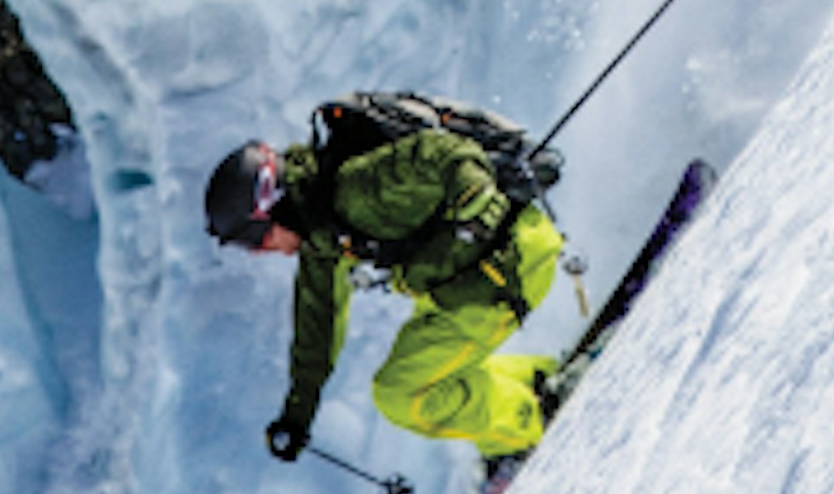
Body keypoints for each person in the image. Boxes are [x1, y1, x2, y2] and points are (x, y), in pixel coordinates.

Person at [205, 119, 565, 464]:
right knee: (423, 361)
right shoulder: (322, 231)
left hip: (506, 266)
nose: (263, 252)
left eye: (255, 240)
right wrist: (297, 416)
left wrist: (478, 207)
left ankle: (534, 418)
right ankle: (535, 380)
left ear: (273, 208)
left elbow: (442, 151)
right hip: (465, 280)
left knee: (401, 394)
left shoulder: (354, 189)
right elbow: (317, 328)